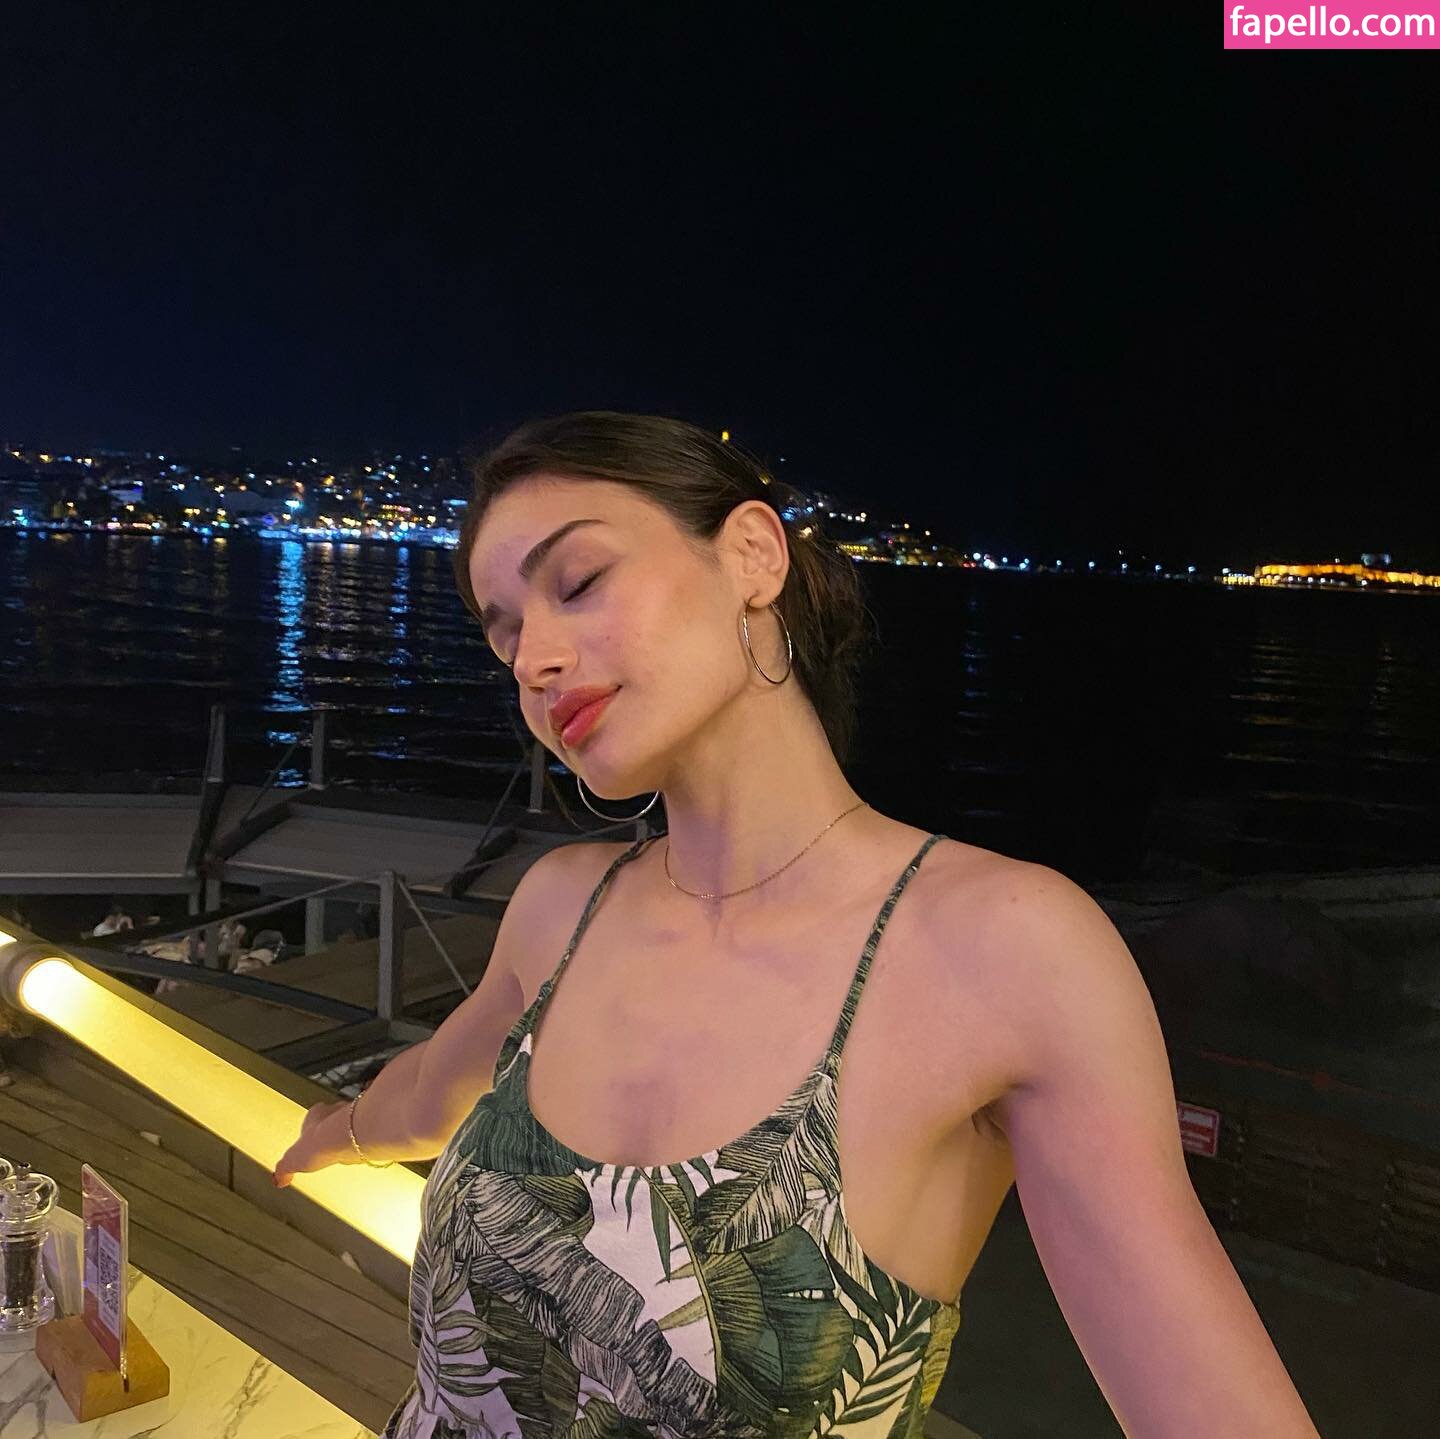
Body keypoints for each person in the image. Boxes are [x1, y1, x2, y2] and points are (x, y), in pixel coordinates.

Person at [273, 412, 1321, 1438]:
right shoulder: (563, 905)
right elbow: (437, 1084)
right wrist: (340, 1132)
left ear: (752, 555)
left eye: (579, 582)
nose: (533, 662)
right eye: (504, 634)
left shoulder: (1004, 950)